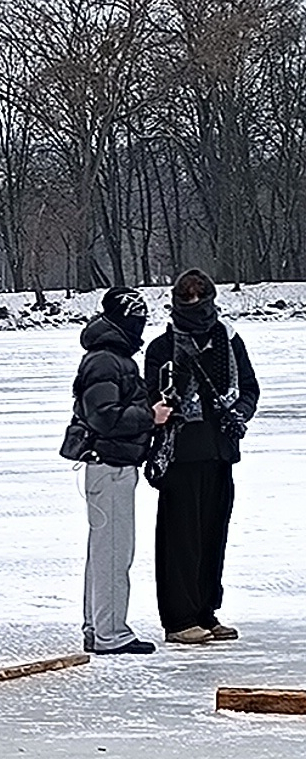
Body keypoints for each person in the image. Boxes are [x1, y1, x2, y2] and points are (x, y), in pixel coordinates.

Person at [144, 270, 259, 645]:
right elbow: (152, 398)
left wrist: (238, 413)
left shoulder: (229, 342)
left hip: (219, 452)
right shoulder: (162, 348)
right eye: (186, 298)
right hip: (179, 456)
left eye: (200, 296)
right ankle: (179, 618)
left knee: (213, 536)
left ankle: (206, 612)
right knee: (179, 540)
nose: (194, 304)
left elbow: (249, 388)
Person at [71, 286, 159, 655]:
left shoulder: (112, 358)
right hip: (109, 464)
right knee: (112, 552)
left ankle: (98, 627)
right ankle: (109, 633)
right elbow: (104, 417)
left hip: (111, 464)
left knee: (104, 550)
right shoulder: (106, 360)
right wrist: (151, 416)